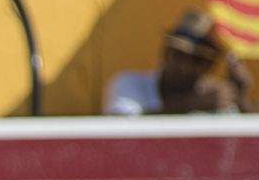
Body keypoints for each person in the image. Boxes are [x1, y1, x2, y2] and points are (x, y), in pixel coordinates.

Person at [105, 9, 254, 115]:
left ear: (210, 66)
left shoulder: (217, 99)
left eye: (198, 60)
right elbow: (124, 132)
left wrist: (241, 101)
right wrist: (192, 104)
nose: (185, 66)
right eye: (178, 55)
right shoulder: (129, 84)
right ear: (165, 52)